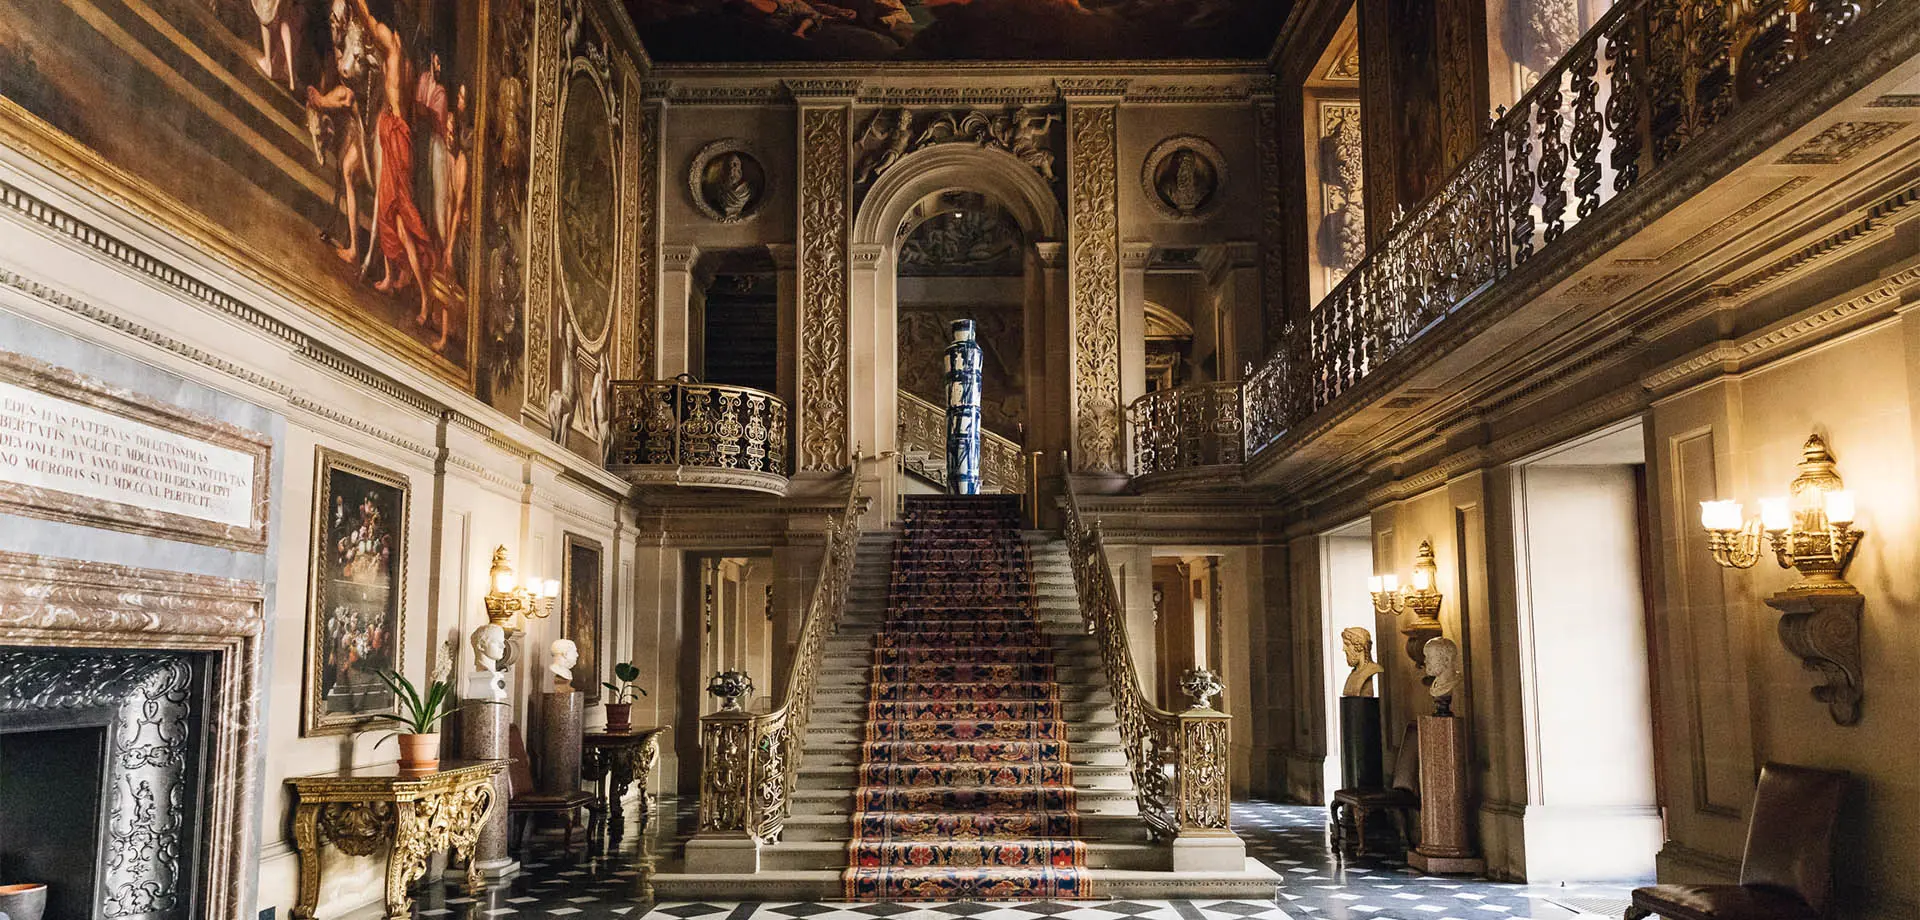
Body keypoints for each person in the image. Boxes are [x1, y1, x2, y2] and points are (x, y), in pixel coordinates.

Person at [346, 0, 441, 335]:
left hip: (395, 136)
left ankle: (426, 298)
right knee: (387, 210)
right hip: (397, 132)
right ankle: (392, 275)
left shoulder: (392, 46)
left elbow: (369, 23)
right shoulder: (406, 57)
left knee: (398, 218)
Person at [1340, 626, 1384, 697]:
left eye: (1347, 645)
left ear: (1359, 646)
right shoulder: (1353, 674)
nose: (1344, 649)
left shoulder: (1372, 669)